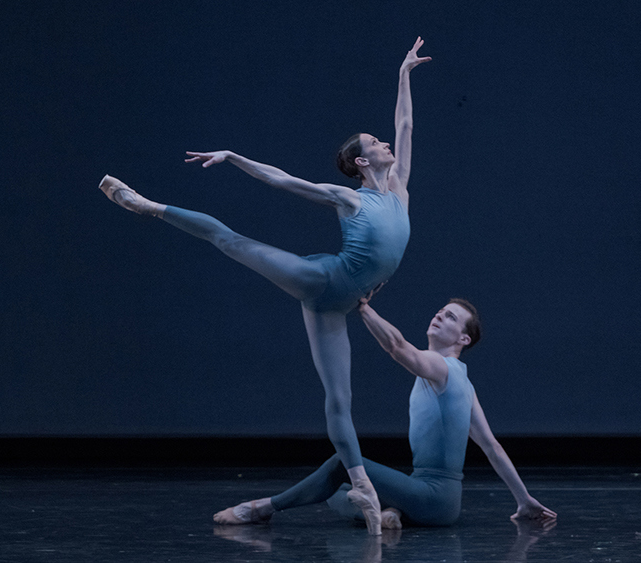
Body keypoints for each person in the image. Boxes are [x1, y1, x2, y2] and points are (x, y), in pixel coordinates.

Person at [97, 38, 431, 535]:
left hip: (338, 306)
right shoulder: (349, 197)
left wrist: (404, 73)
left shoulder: (399, 187)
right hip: (323, 280)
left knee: (339, 400)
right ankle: (149, 207)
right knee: (229, 239)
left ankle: (360, 482)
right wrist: (235, 156)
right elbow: (284, 181)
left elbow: (405, 125)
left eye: (383, 142)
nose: (385, 144)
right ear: (361, 162)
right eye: (374, 144)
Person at [213, 297, 557, 529]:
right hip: (442, 504)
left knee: (342, 465)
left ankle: (261, 508)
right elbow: (491, 447)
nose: (439, 315)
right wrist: (523, 499)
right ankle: (395, 513)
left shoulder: (441, 366)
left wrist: (362, 307)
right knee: (340, 497)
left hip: (432, 497)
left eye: (450, 317)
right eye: (440, 311)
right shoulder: (465, 383)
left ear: (463, 339)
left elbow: (397, 347)